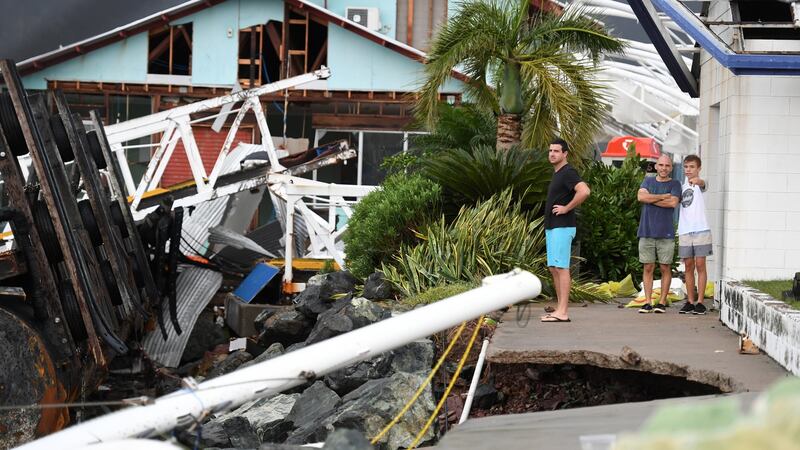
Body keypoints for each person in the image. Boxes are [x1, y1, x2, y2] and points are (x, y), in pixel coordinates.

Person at [541, 138, 590, 323]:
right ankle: (559, 309)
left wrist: (566, 208)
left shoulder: (568, 172)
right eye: (550, 150)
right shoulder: (558, 173)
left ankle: (563, 312)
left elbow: (584, 191)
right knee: (554, 268)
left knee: (562, 268)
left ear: (565, 154)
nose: (552, 153)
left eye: (556, 151)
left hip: (563, 227)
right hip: (553, 227)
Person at [636, 154, 681, 313]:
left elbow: (673, 202)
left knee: (665, 267)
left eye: (667, 166)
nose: (663, 168)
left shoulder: (675, 184)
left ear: (671, 168)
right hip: (646, 230)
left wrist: (651, 198)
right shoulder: (647, 181)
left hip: (666, 232)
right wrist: (662, 196)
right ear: (656, 167)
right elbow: (641, 197)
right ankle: (647, 302)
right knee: (648, 266)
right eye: (661, 165)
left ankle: (661, 302)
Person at [677, 155, 711, 315]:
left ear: (698, 168)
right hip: (684, 231)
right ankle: (690, 301)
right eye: (686, 167)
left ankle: (700, 302)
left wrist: (699, 181)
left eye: (691, 167)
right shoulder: (681, 187)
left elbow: (703, 184)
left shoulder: (699, 184)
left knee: (700, 265)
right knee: (688, 266)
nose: (688, 170)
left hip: (701, 230)